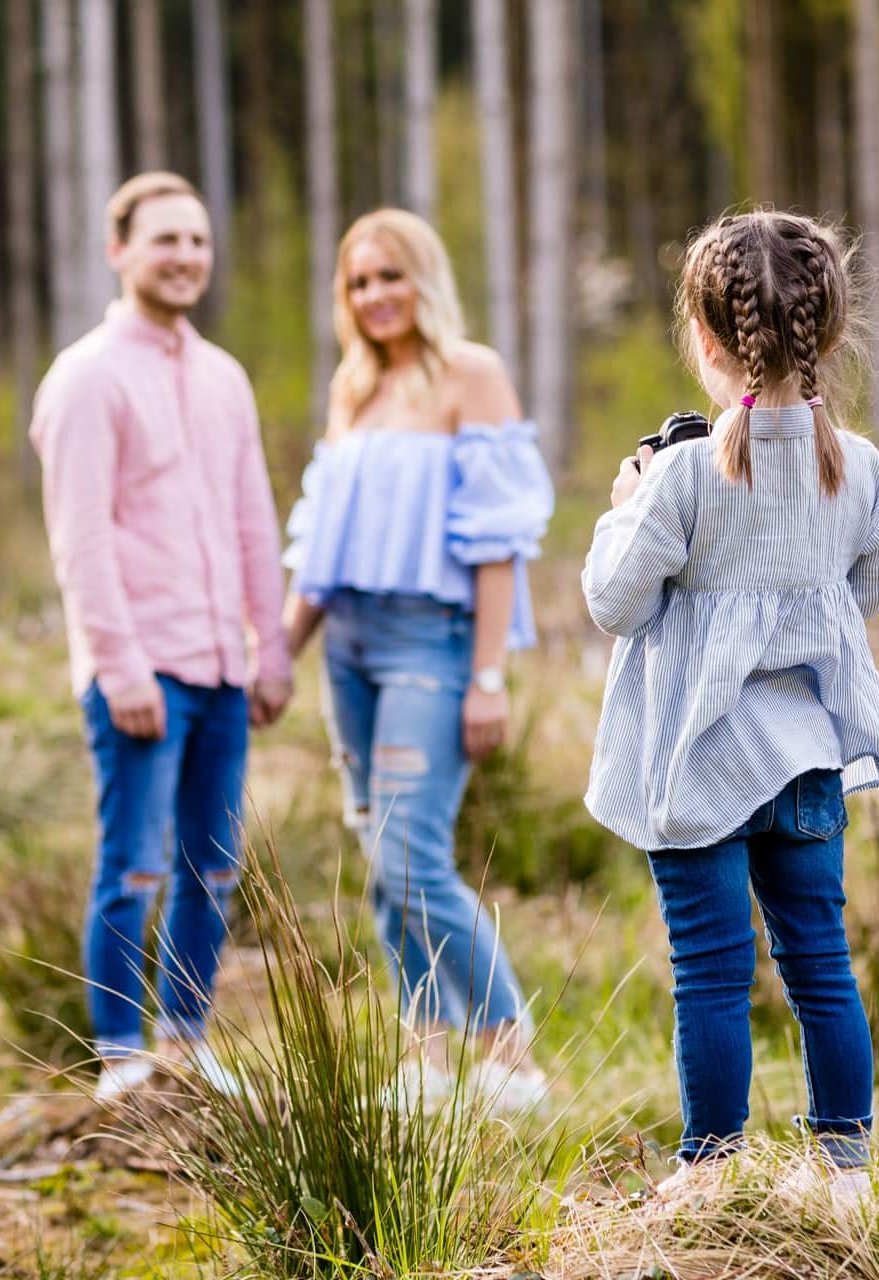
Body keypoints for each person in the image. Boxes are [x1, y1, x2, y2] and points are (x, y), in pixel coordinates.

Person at [581, 209, 879, 1209]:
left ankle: (712, 1165)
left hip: (695, 767)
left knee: (712, 972)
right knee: (820, 962)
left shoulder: (680, 476)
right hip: (807, 758)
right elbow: (873, 583)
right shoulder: (857, 466)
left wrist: (625, 500)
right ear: (831, 333)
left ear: (709, 341)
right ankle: (844, 1170)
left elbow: (614, 601)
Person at [281, 209, 554, 1112]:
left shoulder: (470, 376)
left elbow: (497, 543)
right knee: (377, 851)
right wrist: (280, 652)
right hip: (349, 648)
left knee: (410, 857)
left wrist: (488, 677)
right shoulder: (353, 388)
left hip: (430, 646)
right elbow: (321, 548)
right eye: (358, 282)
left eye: (390, 276)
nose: (375, 297)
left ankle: (508, 1051)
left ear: (423, 279)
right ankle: (425, 1058)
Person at [30, 172, 293, 1105]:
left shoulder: (224, 377)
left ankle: (184, 1044)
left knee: (210, 868)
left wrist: (271, 649)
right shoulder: (87, 377)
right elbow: (82, 538)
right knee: (133, 865)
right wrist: (118, 665)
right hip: (141, 672)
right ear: (120, 250)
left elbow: (253, 519)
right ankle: (118, 1055)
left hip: (224, 665)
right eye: (164, 240)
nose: (184, 256)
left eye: (197, 241)